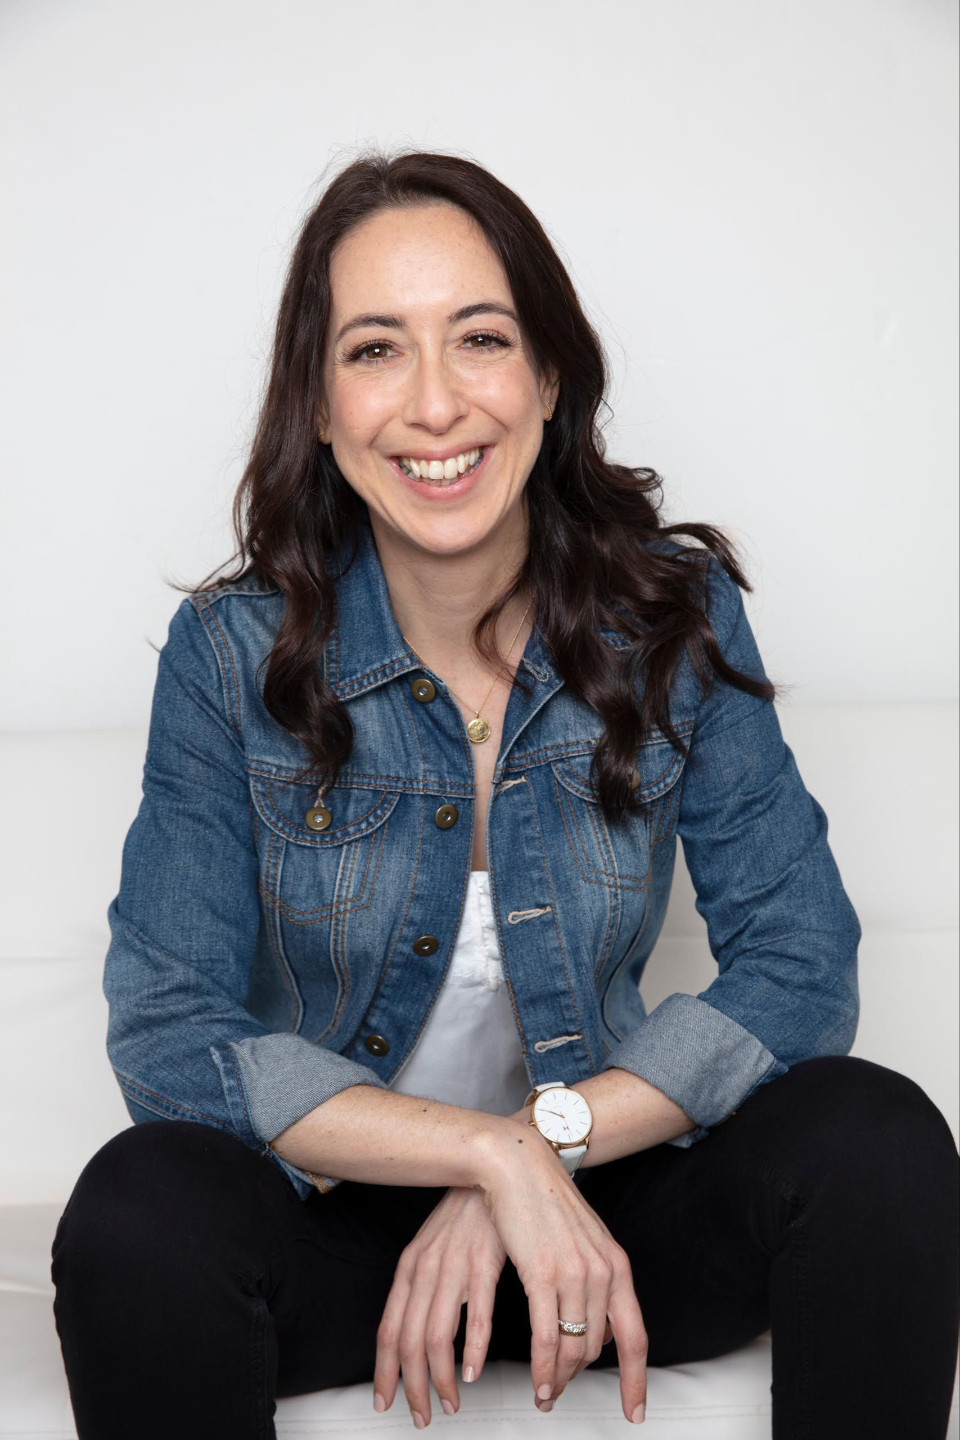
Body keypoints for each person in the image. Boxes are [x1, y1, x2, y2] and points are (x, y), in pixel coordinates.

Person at [50, 148, 959, 1440]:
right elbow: (168, 1030)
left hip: (609, 1219)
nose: (435, 404)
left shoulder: (674, 621)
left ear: (548, 379)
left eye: (480, 338)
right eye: (375, 350)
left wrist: (545, 1145)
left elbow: (802, 966)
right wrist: (482, 1155)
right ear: (320, 406)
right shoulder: (229, 657)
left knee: (879, 1135)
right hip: (336, 1231)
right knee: (137, 1210)